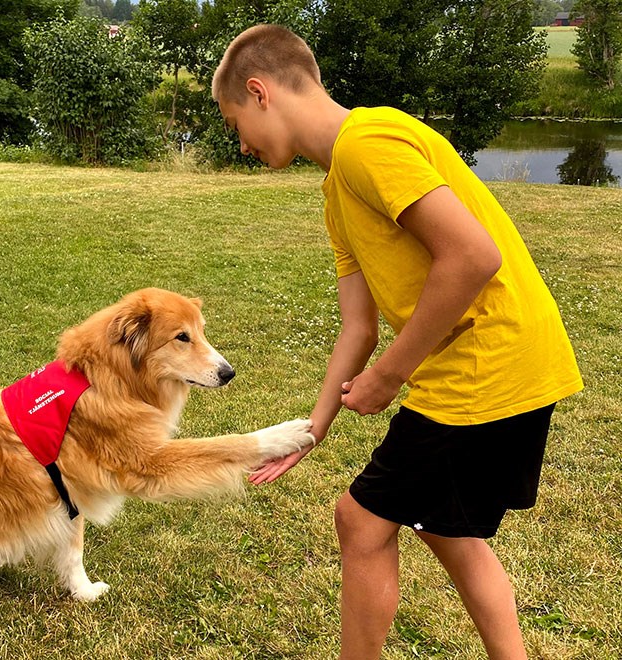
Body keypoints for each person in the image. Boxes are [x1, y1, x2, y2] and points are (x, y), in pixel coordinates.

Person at [212, 24, 583, 660]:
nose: (241, 143)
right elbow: (357, 326)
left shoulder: (367, 142)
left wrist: (388, 375)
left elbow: (472, 256)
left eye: (234, 121)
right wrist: (314, 428)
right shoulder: (337, 185)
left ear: (259, 91)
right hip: (496, 365)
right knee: (445, 529)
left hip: (487, 366)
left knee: (359, 521)